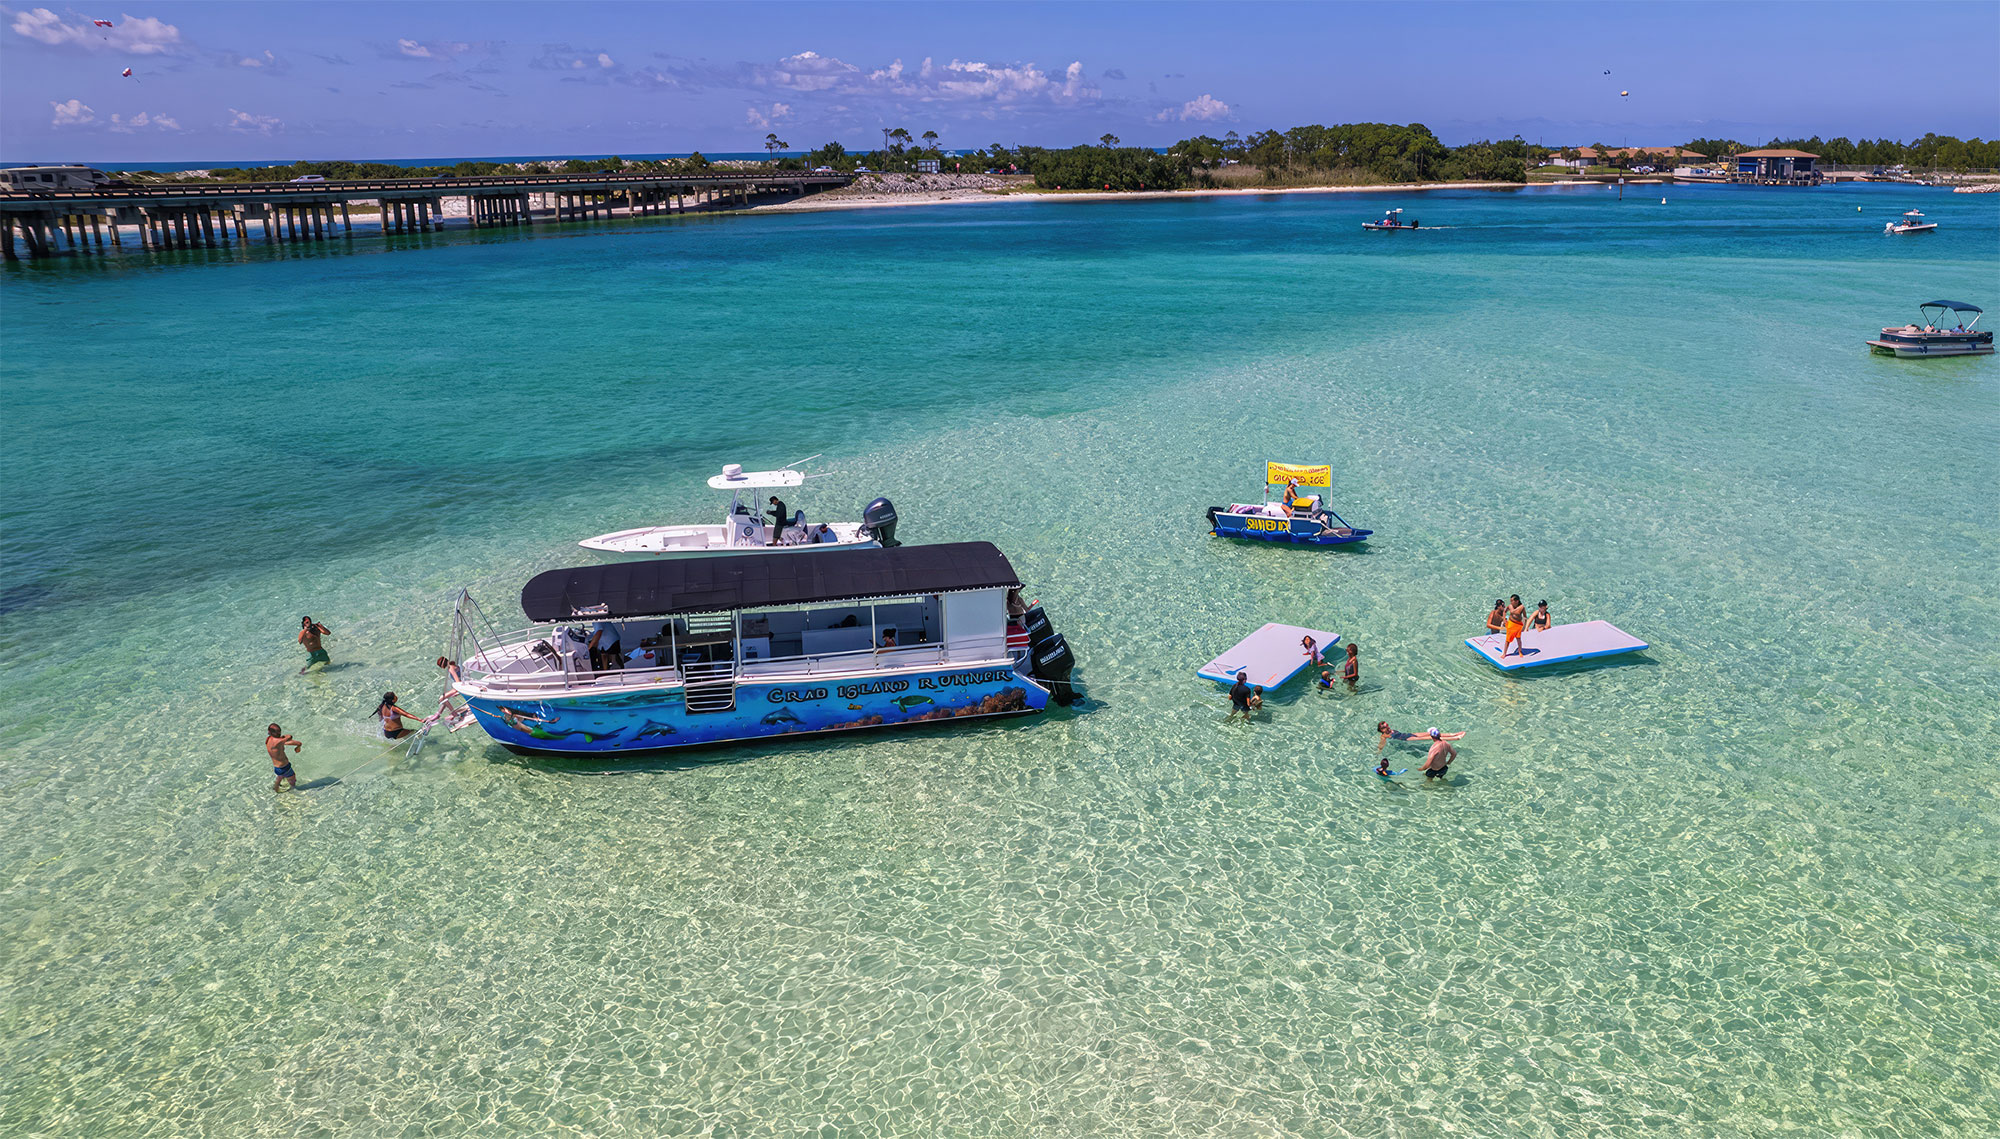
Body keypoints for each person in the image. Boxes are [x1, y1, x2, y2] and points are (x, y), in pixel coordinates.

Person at [1379, 721, 1465, 751]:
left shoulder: (1390, 730)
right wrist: (1378, 751)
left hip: (1408, 734)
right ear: (1381, 730)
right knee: (1430, 737)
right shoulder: (1384, 736)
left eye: (1387, 726)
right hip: (1407, 739)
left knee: (1431, 733)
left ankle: (1453, 734)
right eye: (1384, 727)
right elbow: (1382, 744)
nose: (1387, 728)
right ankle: (1456, 738)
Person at [266, 724, 301, 792]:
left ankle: (276, 789)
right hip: (284, 767)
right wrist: (298, 745)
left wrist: (298, 744)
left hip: (277, 767)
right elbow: (289, 737)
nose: (279, 733)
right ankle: (293, 791)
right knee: (293, 780)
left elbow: (283, 742)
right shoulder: (278, 741)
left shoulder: (269, 739)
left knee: (280, 777)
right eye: (278, 732)